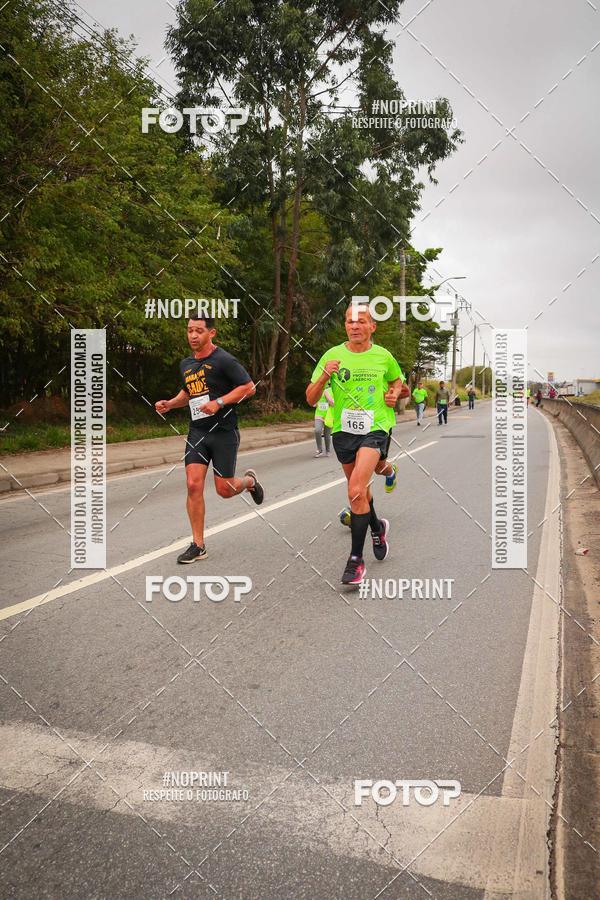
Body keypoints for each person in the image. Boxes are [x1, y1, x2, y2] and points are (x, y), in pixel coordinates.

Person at [306, 303, 404, 586]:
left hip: (375, 428)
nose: (354, 326)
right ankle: (377, 527)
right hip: (343, 432)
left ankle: (355, 562)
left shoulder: (383, 356)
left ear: (372, 326)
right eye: (350, 321)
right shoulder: (332, 355)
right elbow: (311, 399)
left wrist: (394, 393)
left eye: (361, 321)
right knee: (359, 494)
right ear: (344, 326)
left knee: (356, 490)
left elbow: (398, 382)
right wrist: (325, 374)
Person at [155, 316, 264, 564]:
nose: (193, 335)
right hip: (197, 433)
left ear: (211, 333)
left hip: (224, 432)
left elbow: (249, 387)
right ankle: (198, 544)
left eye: (198, 331)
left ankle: (249, 481)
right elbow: (188, 392)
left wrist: (219, 402)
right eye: (190, 330)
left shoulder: (224, 360)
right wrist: (171, 404)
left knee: (224, 490)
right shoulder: (186, 364)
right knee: (193, 485)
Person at [314, 386, 334, 456]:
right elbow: (313, 403)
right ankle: (319, 450)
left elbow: (333, 403)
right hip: (319, 414)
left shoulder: (332, 390)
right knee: (317, 430)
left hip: (328, 415)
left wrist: (326, 393)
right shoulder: (318, 390)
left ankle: (328, 450)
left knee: (327, 434)